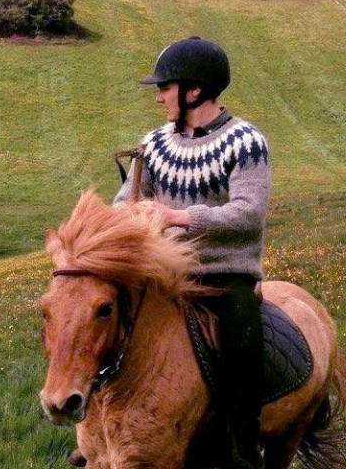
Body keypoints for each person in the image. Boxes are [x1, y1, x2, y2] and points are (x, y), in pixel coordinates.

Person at [114, 36, 270, 469]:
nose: (159, 96)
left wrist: (176, 217)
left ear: (194, 91)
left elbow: (248, 214)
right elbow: (124, 200)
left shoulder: (246, 142)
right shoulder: (154, 144)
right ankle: (98, 432)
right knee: (103, 326)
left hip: (224, 276)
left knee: (242, 352)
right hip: (164, 273)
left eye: (165, 87)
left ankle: (244, 449)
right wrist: (126, 216)